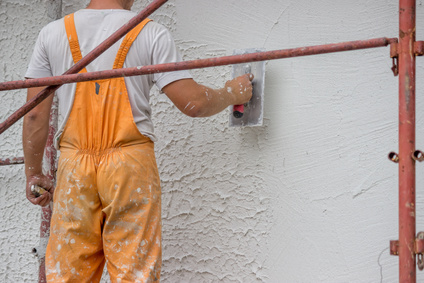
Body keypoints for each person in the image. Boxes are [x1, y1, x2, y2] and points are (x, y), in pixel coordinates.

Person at [22, 0, 253, 282]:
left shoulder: (53, 33)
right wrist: (232, 93)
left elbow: (34, 115)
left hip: (75, 170)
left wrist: (34, 173)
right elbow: (193, 103)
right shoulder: (149, 33)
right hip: (129, 166)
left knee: (69, 276)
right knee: (135, 274)